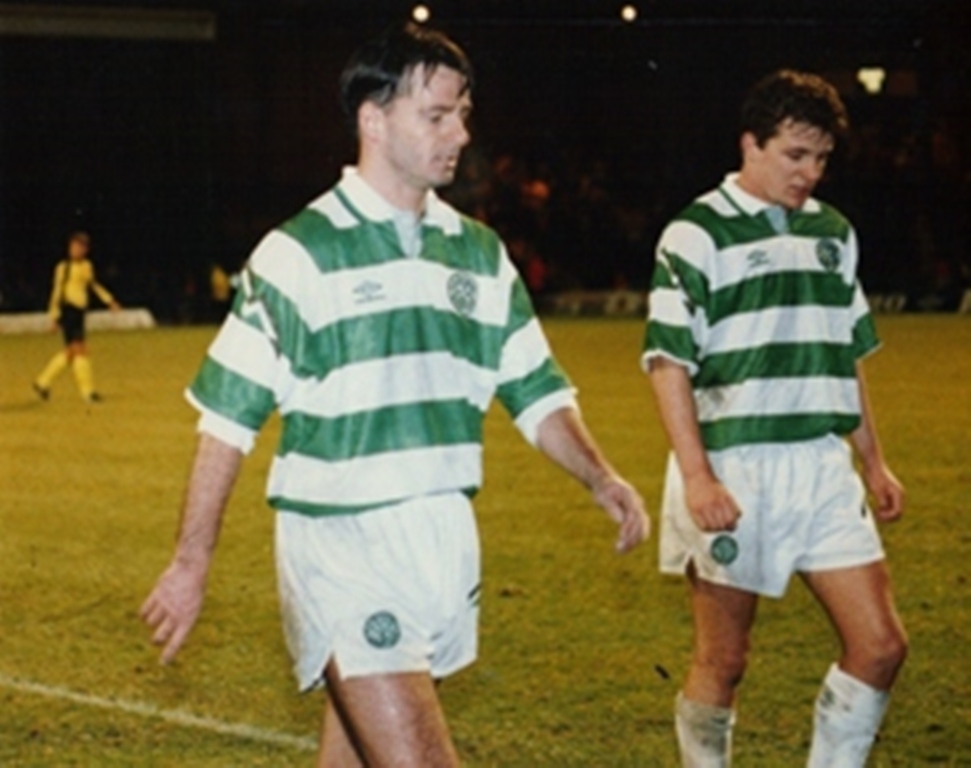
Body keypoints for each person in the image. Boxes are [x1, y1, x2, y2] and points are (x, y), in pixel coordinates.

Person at [141, 22, 649, 768]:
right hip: (342, 546)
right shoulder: (296, 254)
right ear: (372, 120)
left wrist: (598, 474)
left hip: (441, 542)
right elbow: (226, 422)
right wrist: (191, 564)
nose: (460, 134)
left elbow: (536, 390)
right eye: (437, 115)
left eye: (463, 113)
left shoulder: (478, 254)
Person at [641, 70, 908, 767]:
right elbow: (667, 363)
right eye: (794, 154)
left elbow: (844, 355)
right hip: (736, 467)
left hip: (821, 466)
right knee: (723, 660)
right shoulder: (696, 233)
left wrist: (871, 459)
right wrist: (698, 479)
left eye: (820, 158)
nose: (809, 172)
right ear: (750, 145)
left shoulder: (832, 233)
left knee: (879, 646)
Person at [33, 230, 121, 402]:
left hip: (80, 311)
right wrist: (54, 316)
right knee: (80, 349)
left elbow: (94, 285)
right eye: (74, 246)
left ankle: (42, 382)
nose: (76, 250)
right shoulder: (63, 268)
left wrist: (109, 300)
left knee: (71, 352)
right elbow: (57, 292)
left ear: (85, 250)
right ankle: (87, 392)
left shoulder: (87, 266)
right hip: (68, 311)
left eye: (80, 247)